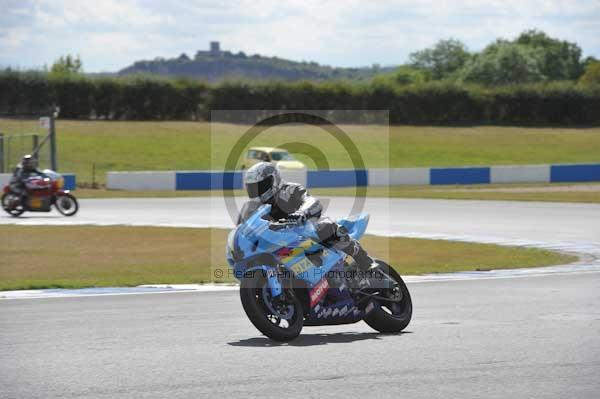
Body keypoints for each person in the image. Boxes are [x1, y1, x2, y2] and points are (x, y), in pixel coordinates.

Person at [238, 162, 377, 279]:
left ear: (274, 179)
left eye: (261, 186)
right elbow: (242, 228)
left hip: (305, 230)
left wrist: (301, 213)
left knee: (325, 226)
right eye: (253, 188)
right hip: (280, 242)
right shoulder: (252, 208)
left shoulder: (290, 190)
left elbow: (311, 201)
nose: (257, 191)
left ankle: (364, 260)